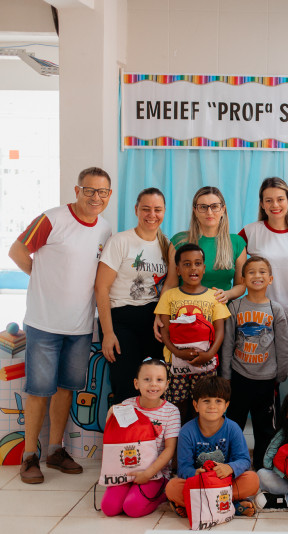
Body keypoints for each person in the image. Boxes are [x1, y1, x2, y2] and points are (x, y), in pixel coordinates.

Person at [10, 166, 113, 484]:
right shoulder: (52, 219)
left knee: (66, 390)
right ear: (77, 190)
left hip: (80, 326)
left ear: (109, 195)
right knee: (39, 391)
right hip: (44, 322)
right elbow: (16, 250)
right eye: (89, 190)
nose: (96, 197)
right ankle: (30, 456)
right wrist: (39, 276)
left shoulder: (105, 229)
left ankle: (56, 450)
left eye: (102, 192)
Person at [239, 177, 288, 389]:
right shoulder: (250, 232)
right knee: (265, 378)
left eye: (280, 199)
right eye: (269, 200)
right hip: (263, 317)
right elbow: (237, 270)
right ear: (262, 203)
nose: (275, 205)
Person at [96, 187, 168, 404]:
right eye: (146, 209)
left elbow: (169, 285)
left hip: (152, 319)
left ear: (164, 212)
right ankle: (123, 426)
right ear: (136, 210)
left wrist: (160, 316)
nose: (152, 215)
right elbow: (101, 288)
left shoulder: (166, 245)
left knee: (155, 386)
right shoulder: (120, 241)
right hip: (121, 318)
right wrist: (108, 333)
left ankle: (152, 427)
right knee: (126, 386)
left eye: (157, 209)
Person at [220, 256, 288, 470]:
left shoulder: (276, 309)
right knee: (234, 424)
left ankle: (262, 468)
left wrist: (280, 375)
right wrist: (226, 376)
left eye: (262, 272)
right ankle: (231, 466)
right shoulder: (235, 306)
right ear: (243, 279)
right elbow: (228, 343)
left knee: (265, 428)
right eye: (251, 272)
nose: (257, 276)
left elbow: (283, 346)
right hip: (239, 377)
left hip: (267, 380)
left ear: (270, 279)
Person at [154, 187, 245, 341]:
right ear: (195, 211)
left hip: (221, 318)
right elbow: (170, 283)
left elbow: (241, 285)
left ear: (223, 209)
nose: (209, 212)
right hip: (185, 317)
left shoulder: (236, 242)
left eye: (214, 206)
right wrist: (159, 314)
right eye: (203, 207)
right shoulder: (179, 241)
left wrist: (227, 294)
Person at [155, 244, 230, 423]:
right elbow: (164, 331)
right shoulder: (169, 296)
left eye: (197, 263)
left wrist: (209, 354)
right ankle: (179, 438)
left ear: (204, 268)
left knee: (204, 404)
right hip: (175, 363)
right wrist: (177, 352)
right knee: (177, 406)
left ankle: (200, 437)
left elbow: (220, 331)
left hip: (206, 363)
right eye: (187, 264)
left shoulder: (214, 296)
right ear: (178, 270)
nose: (193, 268)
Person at [165, 376, 260, 518]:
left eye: (218, 401)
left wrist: (229, 468)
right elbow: (183, 468)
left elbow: (244, 460)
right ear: (196, 405)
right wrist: (194, 473)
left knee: (252, 480)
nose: (212, 406)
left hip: (225, 482)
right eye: (206, 401)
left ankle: (196, 505)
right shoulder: (186, 431)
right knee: (172, 488)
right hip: (199, 483)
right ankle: (232, 505)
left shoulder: (233, 428)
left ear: (226, 405)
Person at [101, 358, 180, 517]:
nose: (153, 384)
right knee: (109, 508)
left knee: (132, 508)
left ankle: (163, 493)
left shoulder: (171, 412)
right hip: (125, 471)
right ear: (136, 384)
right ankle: (131, 490)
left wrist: (148, 473)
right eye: (147, 379)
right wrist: (110, 413)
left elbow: (169, 450)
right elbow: (115, 440)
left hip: (155, 474)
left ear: (166, 385)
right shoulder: (127, 405)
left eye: (159, 380)